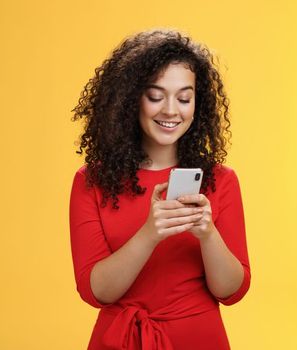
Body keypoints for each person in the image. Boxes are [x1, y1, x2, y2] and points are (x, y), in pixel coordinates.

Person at [69, 29, 251, 350]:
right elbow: (96, 292)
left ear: (198, 104)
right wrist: (150, 233)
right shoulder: (91, 182)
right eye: (155, 96)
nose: (171, 110)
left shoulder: (221, 180)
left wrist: (207, 234)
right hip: (121, 340)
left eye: (184, 98)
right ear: (130, 99)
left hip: (199, 339)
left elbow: (232, 292)